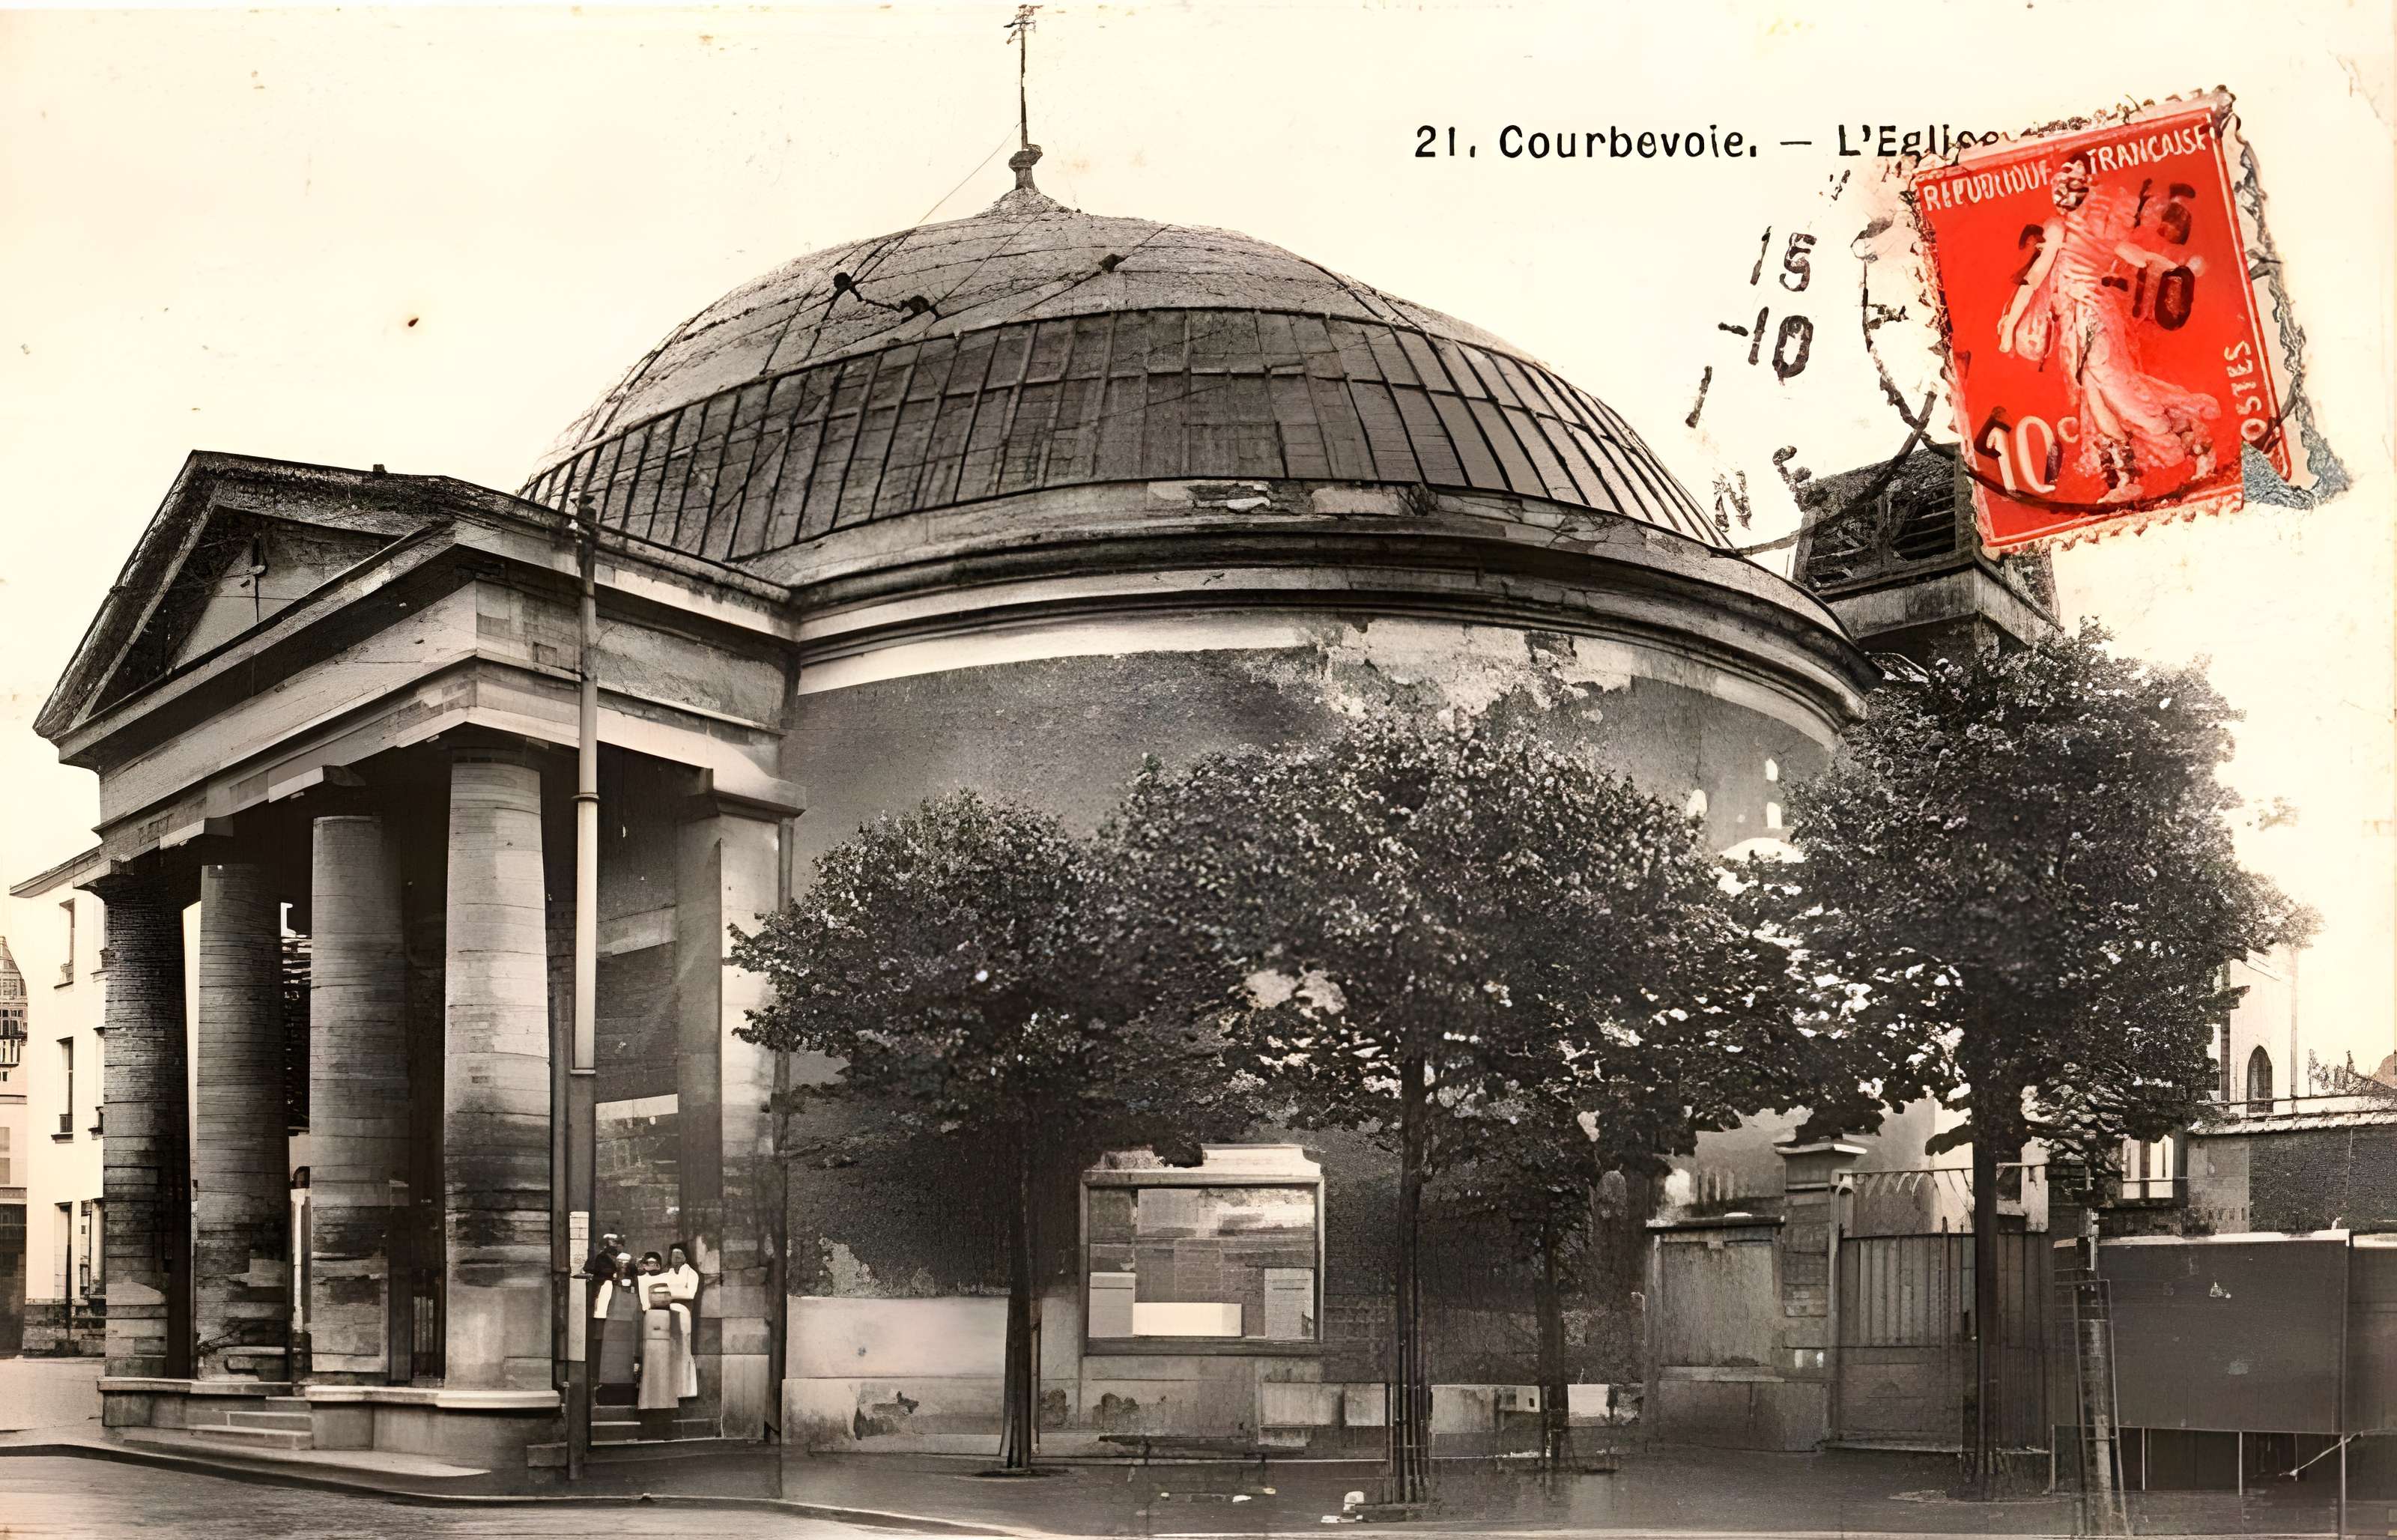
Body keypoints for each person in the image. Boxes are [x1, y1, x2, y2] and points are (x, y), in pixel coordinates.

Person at [1998, 151, 2220, 504]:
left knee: (2121, 392)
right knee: (2098, 401)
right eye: (2065, 176)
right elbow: (2137, 257)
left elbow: (2035, 277)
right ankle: (2125, 478)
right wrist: (2180, 268)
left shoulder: (2071, 227)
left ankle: (2195, 447)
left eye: (2074, 177)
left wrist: (2010, 327)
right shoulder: (2084, 228)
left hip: (2092, 317)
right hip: (2079, 321)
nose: (2067, 183)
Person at [634, 1252, 681, 1438]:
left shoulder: (673, 1315)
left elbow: (676, 1338)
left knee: (664, 1391)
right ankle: (648, 1430)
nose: (660, 1298)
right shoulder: (644, 1314)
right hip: (650, 1355)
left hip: (665, 1356)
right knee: (650, 1391)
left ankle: (665, 1430)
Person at [663, 1241, 701, 1401]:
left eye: (680, 1254)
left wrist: (670, 1293)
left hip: (683, 1313)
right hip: (667, 1313)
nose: (676, 1257)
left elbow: (690, 1294)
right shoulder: (667, 1273)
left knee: (683, 1348)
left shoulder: (691, 1273)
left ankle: (685, 1390)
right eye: (674, 1255)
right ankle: (670, 1388)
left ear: (685, 1257)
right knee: (669, 1349)